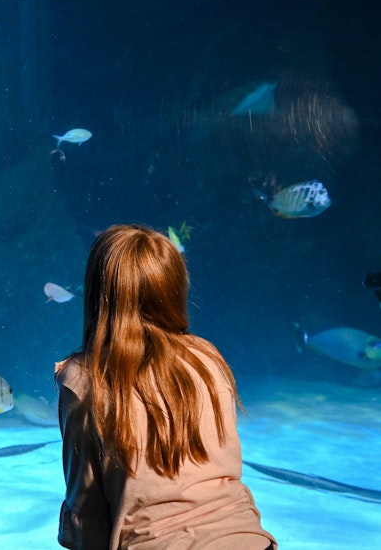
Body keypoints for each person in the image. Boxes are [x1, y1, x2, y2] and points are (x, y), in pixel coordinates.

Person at [55, 224, 276, 550]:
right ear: (175, 289)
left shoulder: (82, 378)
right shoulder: (207, 357)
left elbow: (86, 514)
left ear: (96, 294)